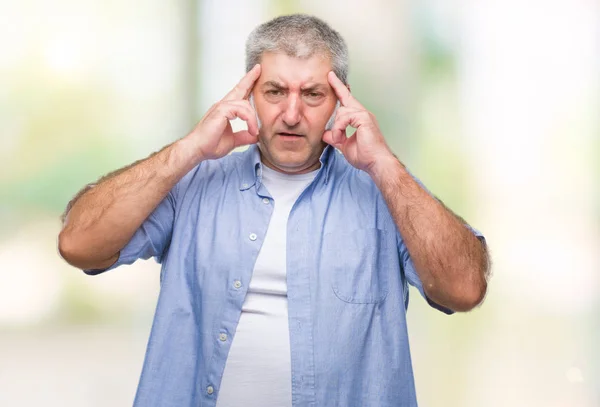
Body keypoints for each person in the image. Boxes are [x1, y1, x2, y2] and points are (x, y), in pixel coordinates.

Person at [58, 14, 490, 407]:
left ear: (341, 102)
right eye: (275, 91)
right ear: (249, 94)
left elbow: (464, 290)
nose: (291, 113)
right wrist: (190, 148)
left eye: (313, 94)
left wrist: (384, 164)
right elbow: (79, 245)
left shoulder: (388, 194)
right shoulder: (191, 184)